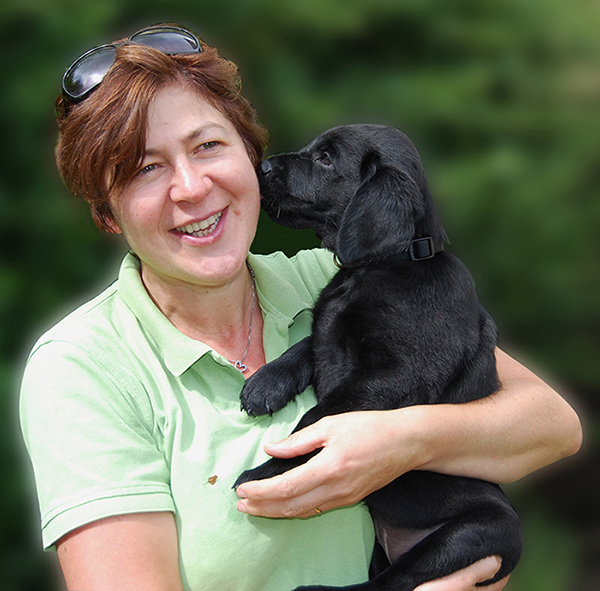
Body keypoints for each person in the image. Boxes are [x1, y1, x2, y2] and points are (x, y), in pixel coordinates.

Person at [19, 23, 582, 591]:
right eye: (146, 168)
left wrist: (400, 441)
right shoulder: (83, 367)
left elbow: (550, 424)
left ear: (249, 155)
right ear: (108, 215)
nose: (190, 187)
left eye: (208, 145)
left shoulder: (333, 277)